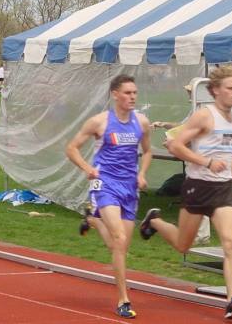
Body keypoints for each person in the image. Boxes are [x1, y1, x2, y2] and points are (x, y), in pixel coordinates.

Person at [139, 66, 232, 320]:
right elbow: (175, 145)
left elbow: (229, 149)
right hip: (198, 187)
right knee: (183, 244)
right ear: (215, 91)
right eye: (230, 88)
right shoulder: (204, 116)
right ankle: (154, 221)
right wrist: (206, 162)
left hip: (223, 189)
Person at [65, 74, 152, 319]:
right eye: (127, 93)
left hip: (129, 187)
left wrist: (142, 173)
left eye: (135, 92)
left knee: (119, 245)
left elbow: (147, 152)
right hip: (105, 184)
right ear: (115, 94)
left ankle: (93, 220)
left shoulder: (142, 122)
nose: (132, 97)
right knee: (118, 237)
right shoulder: (99, 122)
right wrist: (87, 169)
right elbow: (71, 148)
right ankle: (123, 299)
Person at [152, 78, 211, 245]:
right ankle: (197, 234)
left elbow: (186, 131)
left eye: (190, 91)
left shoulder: (203, 110)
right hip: (195, 158)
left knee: (199, 197)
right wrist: (165, 125)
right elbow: (182, 127)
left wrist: (173, 141)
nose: (188, 94)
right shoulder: (196, 110)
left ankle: (199, 235)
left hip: (199, 159)